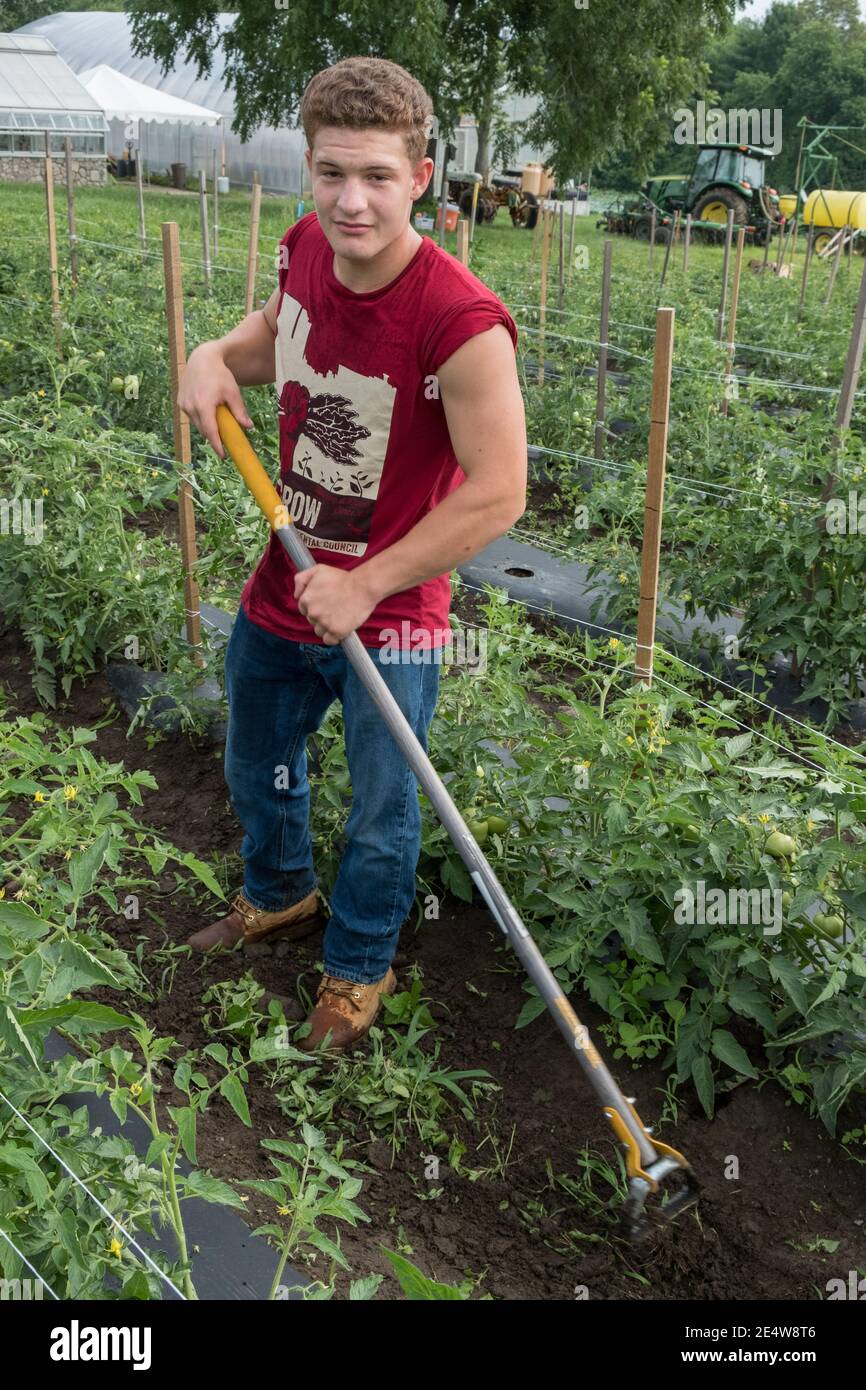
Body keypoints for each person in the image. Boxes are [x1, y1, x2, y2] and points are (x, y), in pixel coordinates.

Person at [176, 55, 526, 1053]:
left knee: (381, 810)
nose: (351, 200)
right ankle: (278, 892)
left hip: (392, 609)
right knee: (256, 762)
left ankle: (357, 965)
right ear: (308, 168)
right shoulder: (302, 251)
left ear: (419, 177)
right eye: (331, 173)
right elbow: (268, 337)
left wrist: (368, 581)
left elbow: (500, 491)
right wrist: (211, 355)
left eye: (376, 176)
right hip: (288, 581)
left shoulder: (458, 323)